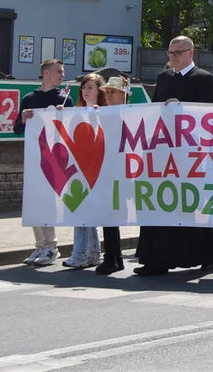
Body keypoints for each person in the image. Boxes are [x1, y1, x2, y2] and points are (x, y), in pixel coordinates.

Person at [135, 36, 213, 276]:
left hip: (193, 153)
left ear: (191, 53)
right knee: (164, 202)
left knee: (194, 204)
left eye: (178, 52)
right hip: (167, 152)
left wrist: (183, 109)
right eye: (170, 53)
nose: (173, 57)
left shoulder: (203, 78)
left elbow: (209, 117)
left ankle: (207, 256)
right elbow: (155, 110)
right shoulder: (163, 78)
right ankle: (157, 259)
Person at [16, 58, 73, 267]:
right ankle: (39, 245)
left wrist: (63, 115)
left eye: (63, 72)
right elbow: (16, 128)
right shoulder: (30, 98)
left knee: (47, 201)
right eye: (59, 71)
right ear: (46, 73)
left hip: (54, 158)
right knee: (33, 200)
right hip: (33, 156)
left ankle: (52, 246)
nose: (62, 75)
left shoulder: (65, 98)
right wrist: (22, 118)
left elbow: (70, 129)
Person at [61, 73, 106, 269]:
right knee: (80, 212)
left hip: (96, 169)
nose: (86, 91)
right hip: (79, 168)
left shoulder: (105, 112)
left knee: (86, 213)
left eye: (90, 87)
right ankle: (89, 252)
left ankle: (83, 253)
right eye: (84, 87)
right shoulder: (76, 112)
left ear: (98, 90)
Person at [95, 76, 131, 275]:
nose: (107, 96)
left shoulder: (133, 115)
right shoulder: (103, 114)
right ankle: (113, 256)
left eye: (112, 92)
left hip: (128, 171)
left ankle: (116, 256)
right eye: (106, 92)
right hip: (108, 170)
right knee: (109, 214)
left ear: (123, 95)